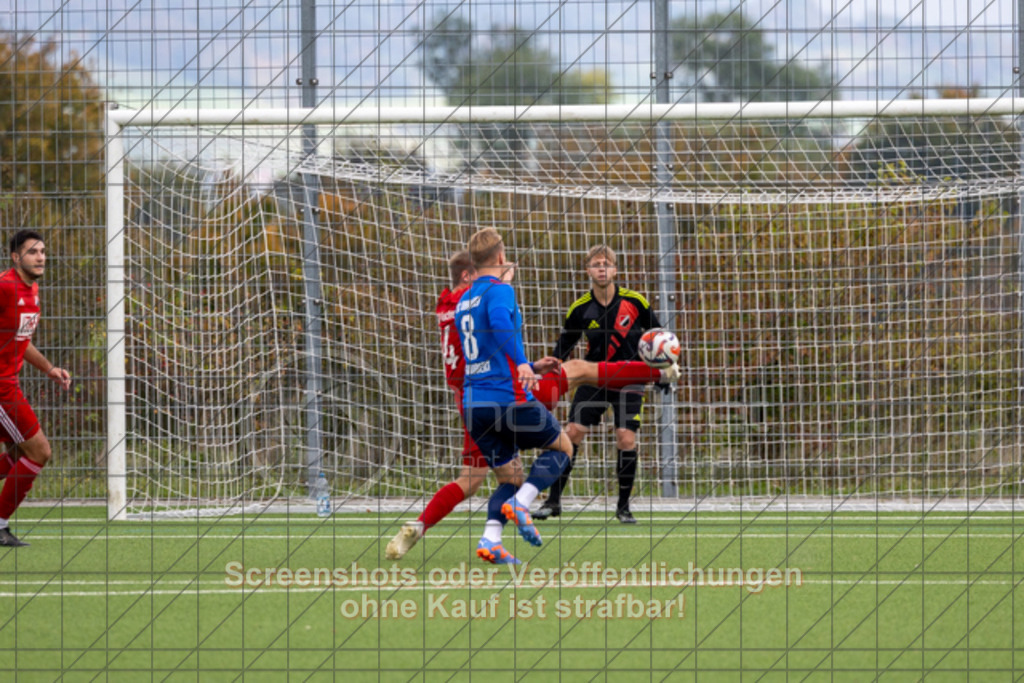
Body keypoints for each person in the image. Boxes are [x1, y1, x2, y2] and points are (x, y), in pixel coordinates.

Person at [455, 227, 576, 565]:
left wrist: (531, 363)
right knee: (563, 447)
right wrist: (523, 363)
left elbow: (484, 349)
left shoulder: (464, 299)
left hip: (474, 404)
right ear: (500, 257)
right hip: (504, 398)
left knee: (510, 476)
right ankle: (522, 503)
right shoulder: (500, 290)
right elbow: (498, 325)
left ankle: (491, 538)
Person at [536, 244, 662, 524]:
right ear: (588, 270)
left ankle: (623, 507)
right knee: (571, 433)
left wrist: (662, 371)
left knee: (626, 439)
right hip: (593, 377)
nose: (601, 268)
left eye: (606, 263)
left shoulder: (636, 302)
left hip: (630, 378)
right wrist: (547, 379)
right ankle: (553, 501)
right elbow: (562, 349)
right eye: (596, 264)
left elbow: (658, 338)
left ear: (615, 269)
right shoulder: (580, 308)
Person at [0, 230, 72, 547]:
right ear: (16, 257)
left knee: (18, 457)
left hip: (9, 384)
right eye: (32, 252)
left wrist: (49, 368)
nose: (41, 256)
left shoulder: (32, 290)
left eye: (43, 251)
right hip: (1, 389)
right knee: (40, 451)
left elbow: (21, 340)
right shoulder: (4, 287)